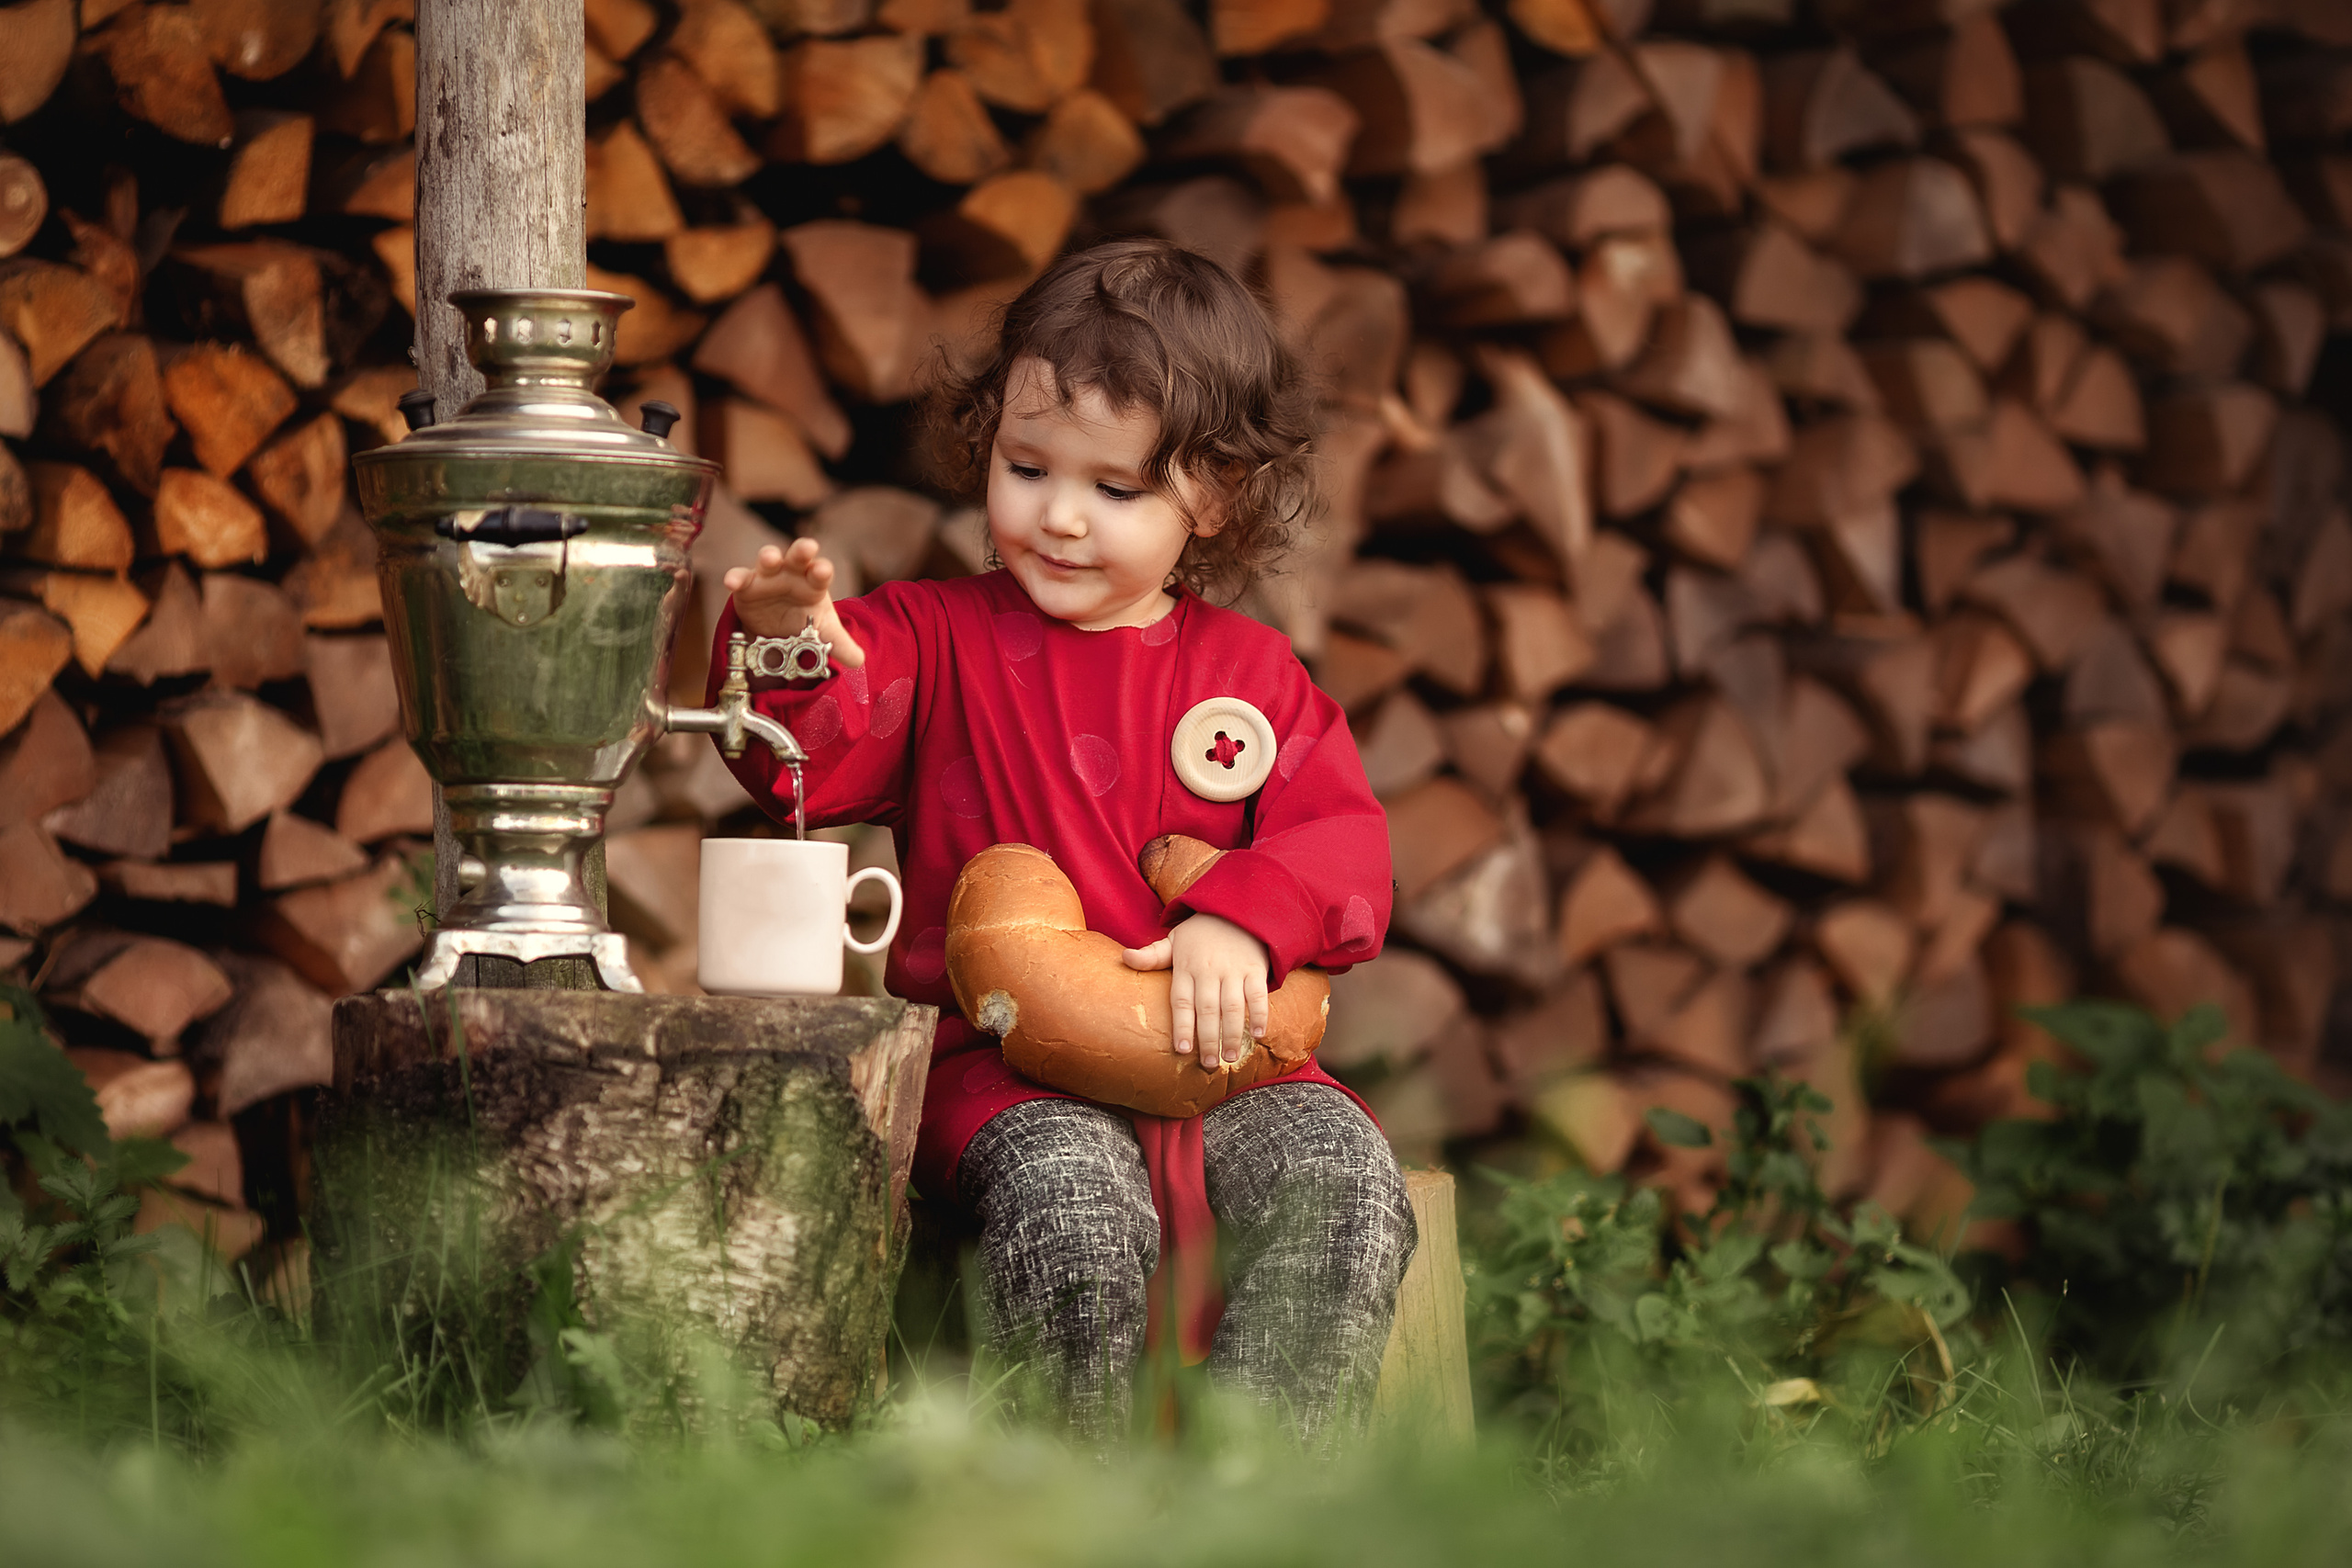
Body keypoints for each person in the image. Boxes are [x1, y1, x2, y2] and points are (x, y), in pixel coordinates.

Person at [710, 238, 1414, 1442]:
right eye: (1027, 467)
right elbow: (809, 768)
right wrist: (790, 647)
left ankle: (1266, 1494)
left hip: (1229, 1065)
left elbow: (1341, 840)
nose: (1060, 518)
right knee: (1069, 1209)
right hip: (1006, 1078)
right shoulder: (929, 638)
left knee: (1343, 1187)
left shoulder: (1251, 678)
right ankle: (1069, 1500)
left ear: (1214, 498)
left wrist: (1245, 925)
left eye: (1116, 489)